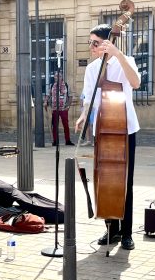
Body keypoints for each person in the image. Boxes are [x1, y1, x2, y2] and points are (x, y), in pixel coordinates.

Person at [74, 24, 141, 250]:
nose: (91, 47)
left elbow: (135, 83)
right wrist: (83, 115)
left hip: (125, 129)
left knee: (125, 182)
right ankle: (112, 229)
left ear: (106, 43)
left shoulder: (125, 61)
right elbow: (88, 99)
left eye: (95, 43)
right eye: (90, 43)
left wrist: (117, 54)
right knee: (105, 180)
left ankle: (127, 233)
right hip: (102, 129)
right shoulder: (92, 69)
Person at [45, 71, 73, 146]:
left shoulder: (66, 85)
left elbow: (70, 96)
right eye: (56, 76)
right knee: (54, 126)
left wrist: (68, 106)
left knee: (66, 125)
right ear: (54, 77)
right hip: (54, 109)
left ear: (62, 77)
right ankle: (55, 141)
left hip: (63, 109)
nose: (58, 77)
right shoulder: (51, 86)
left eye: (59, 76)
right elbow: (48, 95)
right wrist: (45, 101)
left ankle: (68, 140)